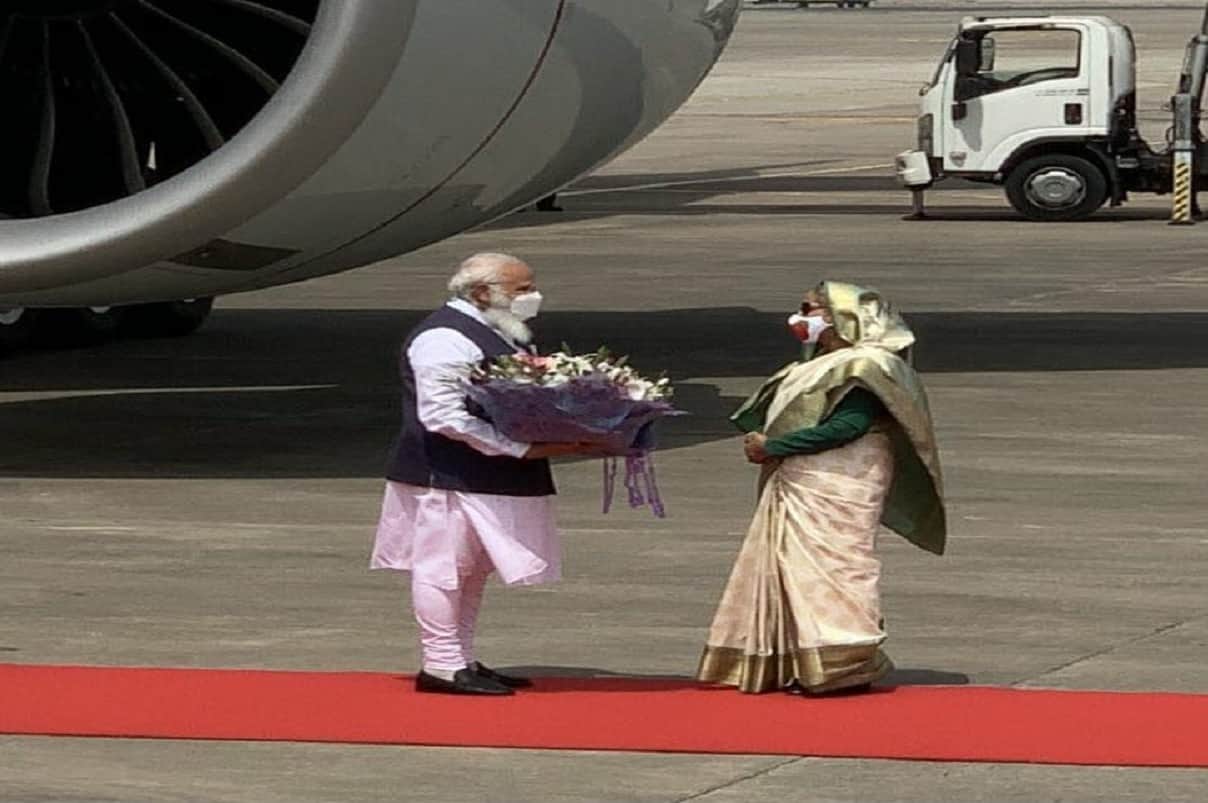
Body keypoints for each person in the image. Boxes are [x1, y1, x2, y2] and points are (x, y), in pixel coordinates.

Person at [697, 281, 946, 695]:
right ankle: (807, 661)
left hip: (840, 478)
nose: (801, 317)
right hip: (808, 477)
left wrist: (774, 446)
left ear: (841, 316)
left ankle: (844, 664)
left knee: (835, 567)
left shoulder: (867, 366)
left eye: (811, 309)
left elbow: (849, 427)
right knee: (797, 567)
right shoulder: (820, 363)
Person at [371, 252, 591, 696]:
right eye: (521, 290)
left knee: (472, 570)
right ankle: (441, 664)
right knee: (442, 568)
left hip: (489, 472)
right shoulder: (444, 339)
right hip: (447, 472)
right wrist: (520, 447)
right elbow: (444, 417)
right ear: (480, 293)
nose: (532, 298)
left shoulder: (506, 332)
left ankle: (461, 657)